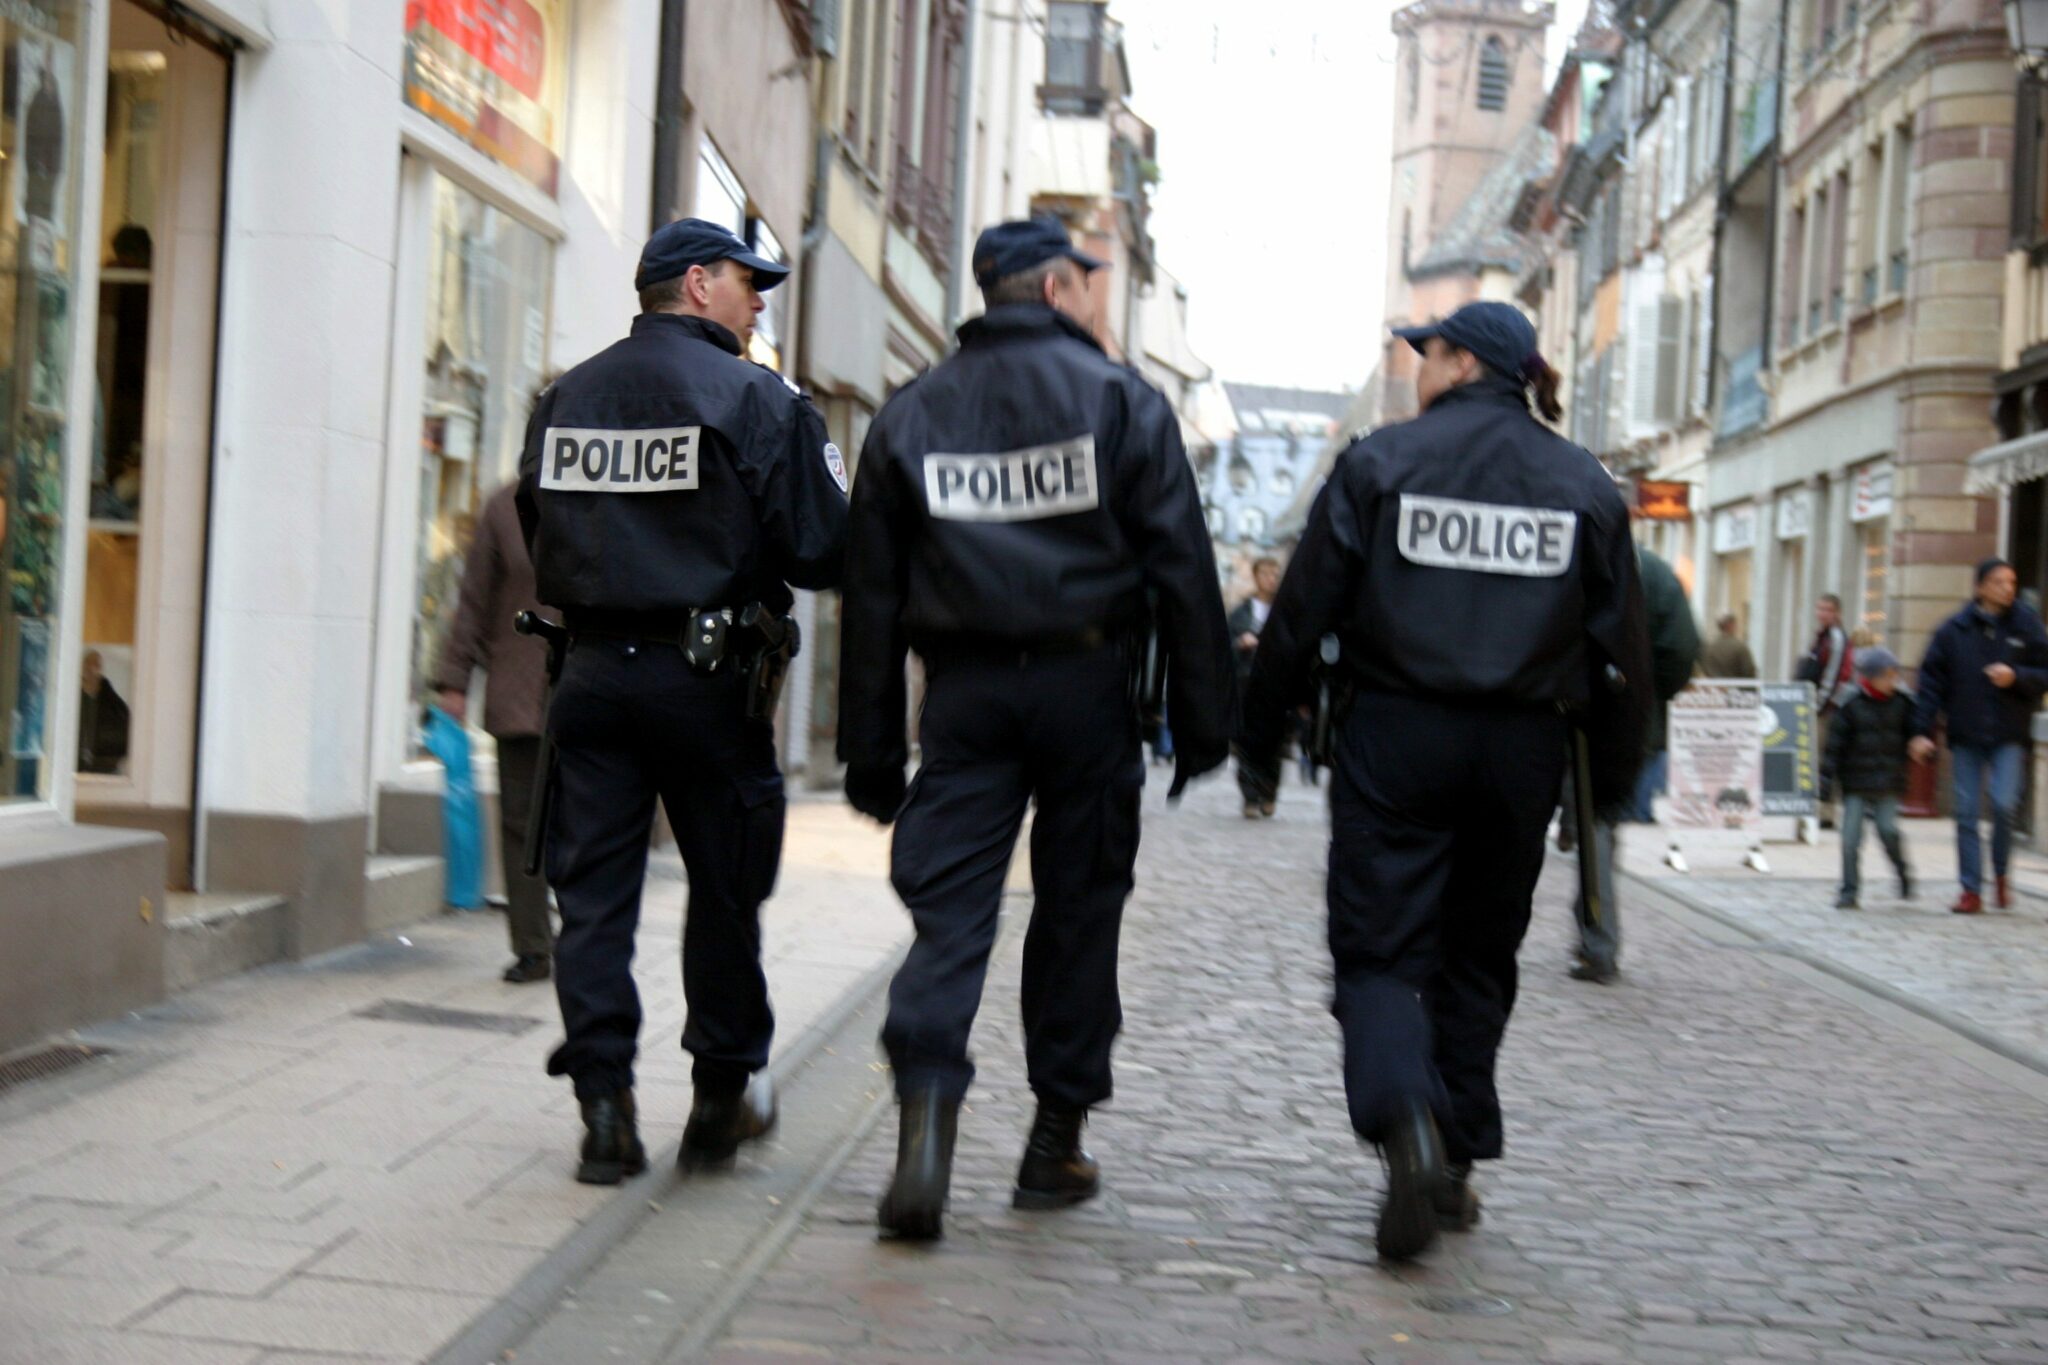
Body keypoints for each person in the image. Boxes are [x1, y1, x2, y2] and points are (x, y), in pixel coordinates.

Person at [838, 216, 1234, 1241]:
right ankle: (1052, 1143)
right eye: (1088, 284)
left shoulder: (910, 412)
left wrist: (873, 751)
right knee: (1078, 910)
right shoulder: (1121, 403)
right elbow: (1183, 572)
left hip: (963, 695)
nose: (1096, 299)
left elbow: (870, 602)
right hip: (1087, 688)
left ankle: (924, 1133)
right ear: (1056, 288)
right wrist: (1202, 723)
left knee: (951, 914)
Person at [1238, 300, 1650, 1263]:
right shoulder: (1583, 484)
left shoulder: (1382, 464)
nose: (1417, 364)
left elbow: (1299, 617)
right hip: (1521, 753)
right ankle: (1454, 1158)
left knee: (1380, 952)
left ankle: (1404, 1121)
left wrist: (1258, 737)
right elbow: (1619, 655)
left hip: (1398, 736)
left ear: (1463, 362)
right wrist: (1608, 793)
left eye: (1428, 350)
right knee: (1477, 956)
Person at [515, 218, 848, 1184]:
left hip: (591, 679)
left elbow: (538, 523)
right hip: (708, 683)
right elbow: (826, 549)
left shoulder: (564, 397)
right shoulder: (757, 399)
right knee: (726, 886)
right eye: (749, 283)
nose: (759, 301)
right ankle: (718, 1095)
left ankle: (605, 1110)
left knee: (595, 900)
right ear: (697, 284)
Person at [435, 479, 558, 984]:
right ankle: (533, 944)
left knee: (587, 824)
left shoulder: (607, 498)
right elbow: (474, 600)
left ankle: (590, 938)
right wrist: (454, 679)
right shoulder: (504, 507)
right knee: (521, 823)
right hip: (522, 691)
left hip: (594, 691)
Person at [1569, 540, 1695, 985]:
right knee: (1601, 820)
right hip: (1634, 718)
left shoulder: (1575, 556)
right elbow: (1681, 651)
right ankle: (1594, 931)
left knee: (1591, 822)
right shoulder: (1657, 573)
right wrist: (1647, 692)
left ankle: (1598, 939)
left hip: (1570, 711)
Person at [1909, 558, 2048, 914]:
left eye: (2012, 581)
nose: (2008, 588)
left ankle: (2000, 874)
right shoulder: (1954, 630)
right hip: (1966, 733)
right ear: (1980, 587)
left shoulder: (2027, 624)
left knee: (2003, 806)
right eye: (2000, 582)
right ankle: (1971, 889)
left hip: (2009, 734)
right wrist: (1922, 731)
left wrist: (2015, 676)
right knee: (1967, 812)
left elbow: (2044, 672)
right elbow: (1930, 684)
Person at [1823, 647, 1914, 909]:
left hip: (1888, 781)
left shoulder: (1903, 703)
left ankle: (1902, 871)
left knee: (1888, 830)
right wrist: (1826, 781)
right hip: (1855, 783)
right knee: (1850, 839)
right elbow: (1834, 747)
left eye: (1895, 675)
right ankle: (1849, 891)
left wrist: (1922, 748)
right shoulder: (1849, 703)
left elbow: (1916, 734)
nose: (1893, 681)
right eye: (1887, 676)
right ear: (1871, 677)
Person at [1229, 557, 1283, 817]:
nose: (1271, 579)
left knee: (1273, 744)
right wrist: (1241, 642)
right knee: (1246, 744)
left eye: (1275, 574)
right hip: (1247, 687)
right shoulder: (1242, 612)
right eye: (1266, 574)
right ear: (1256, 576)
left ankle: (1269, 792)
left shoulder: (1285, 611)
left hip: (1275, 687)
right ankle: (1250, 797)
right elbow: (1225, 643)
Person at [1800, 594, 1855, 831]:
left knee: (1825, 760)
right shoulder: (1821, 637)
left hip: (1827, 709)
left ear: (1837, 613)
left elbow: (1833, 676)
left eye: (1828, 609)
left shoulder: (1835, 638)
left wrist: (1819, 705)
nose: (1822, 613)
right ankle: (1821, 810)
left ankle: (1826, 813)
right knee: (1820, 760)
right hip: (1819, 706)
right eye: (1820, 608)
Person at [76, 650, 129, 775]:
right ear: (83, 667)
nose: (92, 669)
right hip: (74, 767)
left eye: (96, 665)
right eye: (89, 664)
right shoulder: (73, 697)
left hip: (105, 768)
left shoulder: (112, 701)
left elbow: (126, 725)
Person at [1700, 612, 1757, 678]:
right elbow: (1748, 671)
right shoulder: (1739, 647)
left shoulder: (1708, 647)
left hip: (1715, 687)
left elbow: (1706, 668)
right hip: (1736, 686)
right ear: (1731, 625)